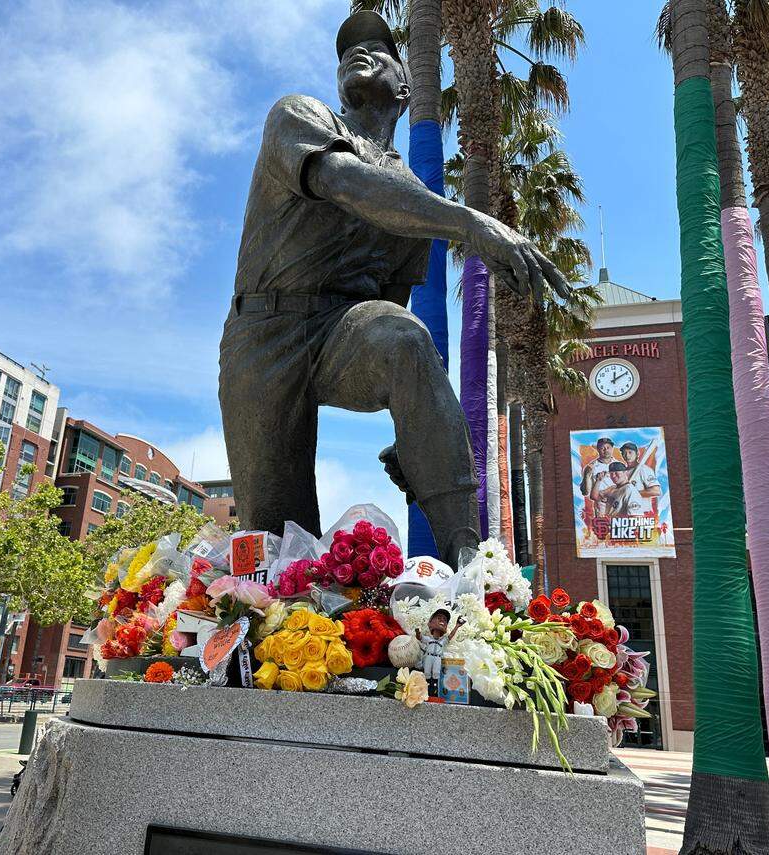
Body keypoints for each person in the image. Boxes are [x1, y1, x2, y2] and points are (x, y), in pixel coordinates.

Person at [219, 11, 570, 566]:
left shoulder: (409, 196)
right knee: (277, 541)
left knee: (405, 339)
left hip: (339, 331)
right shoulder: (300, 114)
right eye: (347, 52)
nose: (357, 54)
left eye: (378, 49)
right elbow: (345, 181)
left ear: (405, 87)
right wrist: (472, 222)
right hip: (263, 332)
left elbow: (388, 314)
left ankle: (469, 559)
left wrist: (415, 421)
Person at [418, 609, 465, 683]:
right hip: (428, 656)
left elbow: (451, 635)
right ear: (430, 622)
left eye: (445, 620)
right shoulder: (428, 639)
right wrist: (417, 632)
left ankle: (435, 688)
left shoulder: (443, 641)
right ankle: (427, 686)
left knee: (436, 673)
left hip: (438, 658)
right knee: (426, 672)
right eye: (439, 618)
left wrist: (457, 626)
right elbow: (419, 637)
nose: (442, 621)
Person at [580, 437, 615, 516]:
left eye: (608, 447)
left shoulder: (619, 465)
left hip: (617, 502)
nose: (606, 450)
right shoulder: (591, 467)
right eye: (602, 448)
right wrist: (586, 475)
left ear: (612, 448)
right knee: (603, 527)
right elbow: (585, 492)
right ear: (598, 450)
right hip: (601, 504)